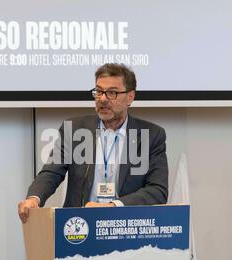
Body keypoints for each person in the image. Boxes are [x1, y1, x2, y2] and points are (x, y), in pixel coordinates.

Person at [18, 63, 168, 222]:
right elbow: (52, 172)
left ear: (130, 97)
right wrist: (34, 198)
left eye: (112, 93)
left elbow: (157, 190)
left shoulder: (151, 136)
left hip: (125, 226)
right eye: (98, 91)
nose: (102, 99)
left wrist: (114, 206)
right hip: (79, 226)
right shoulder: (74, 129)